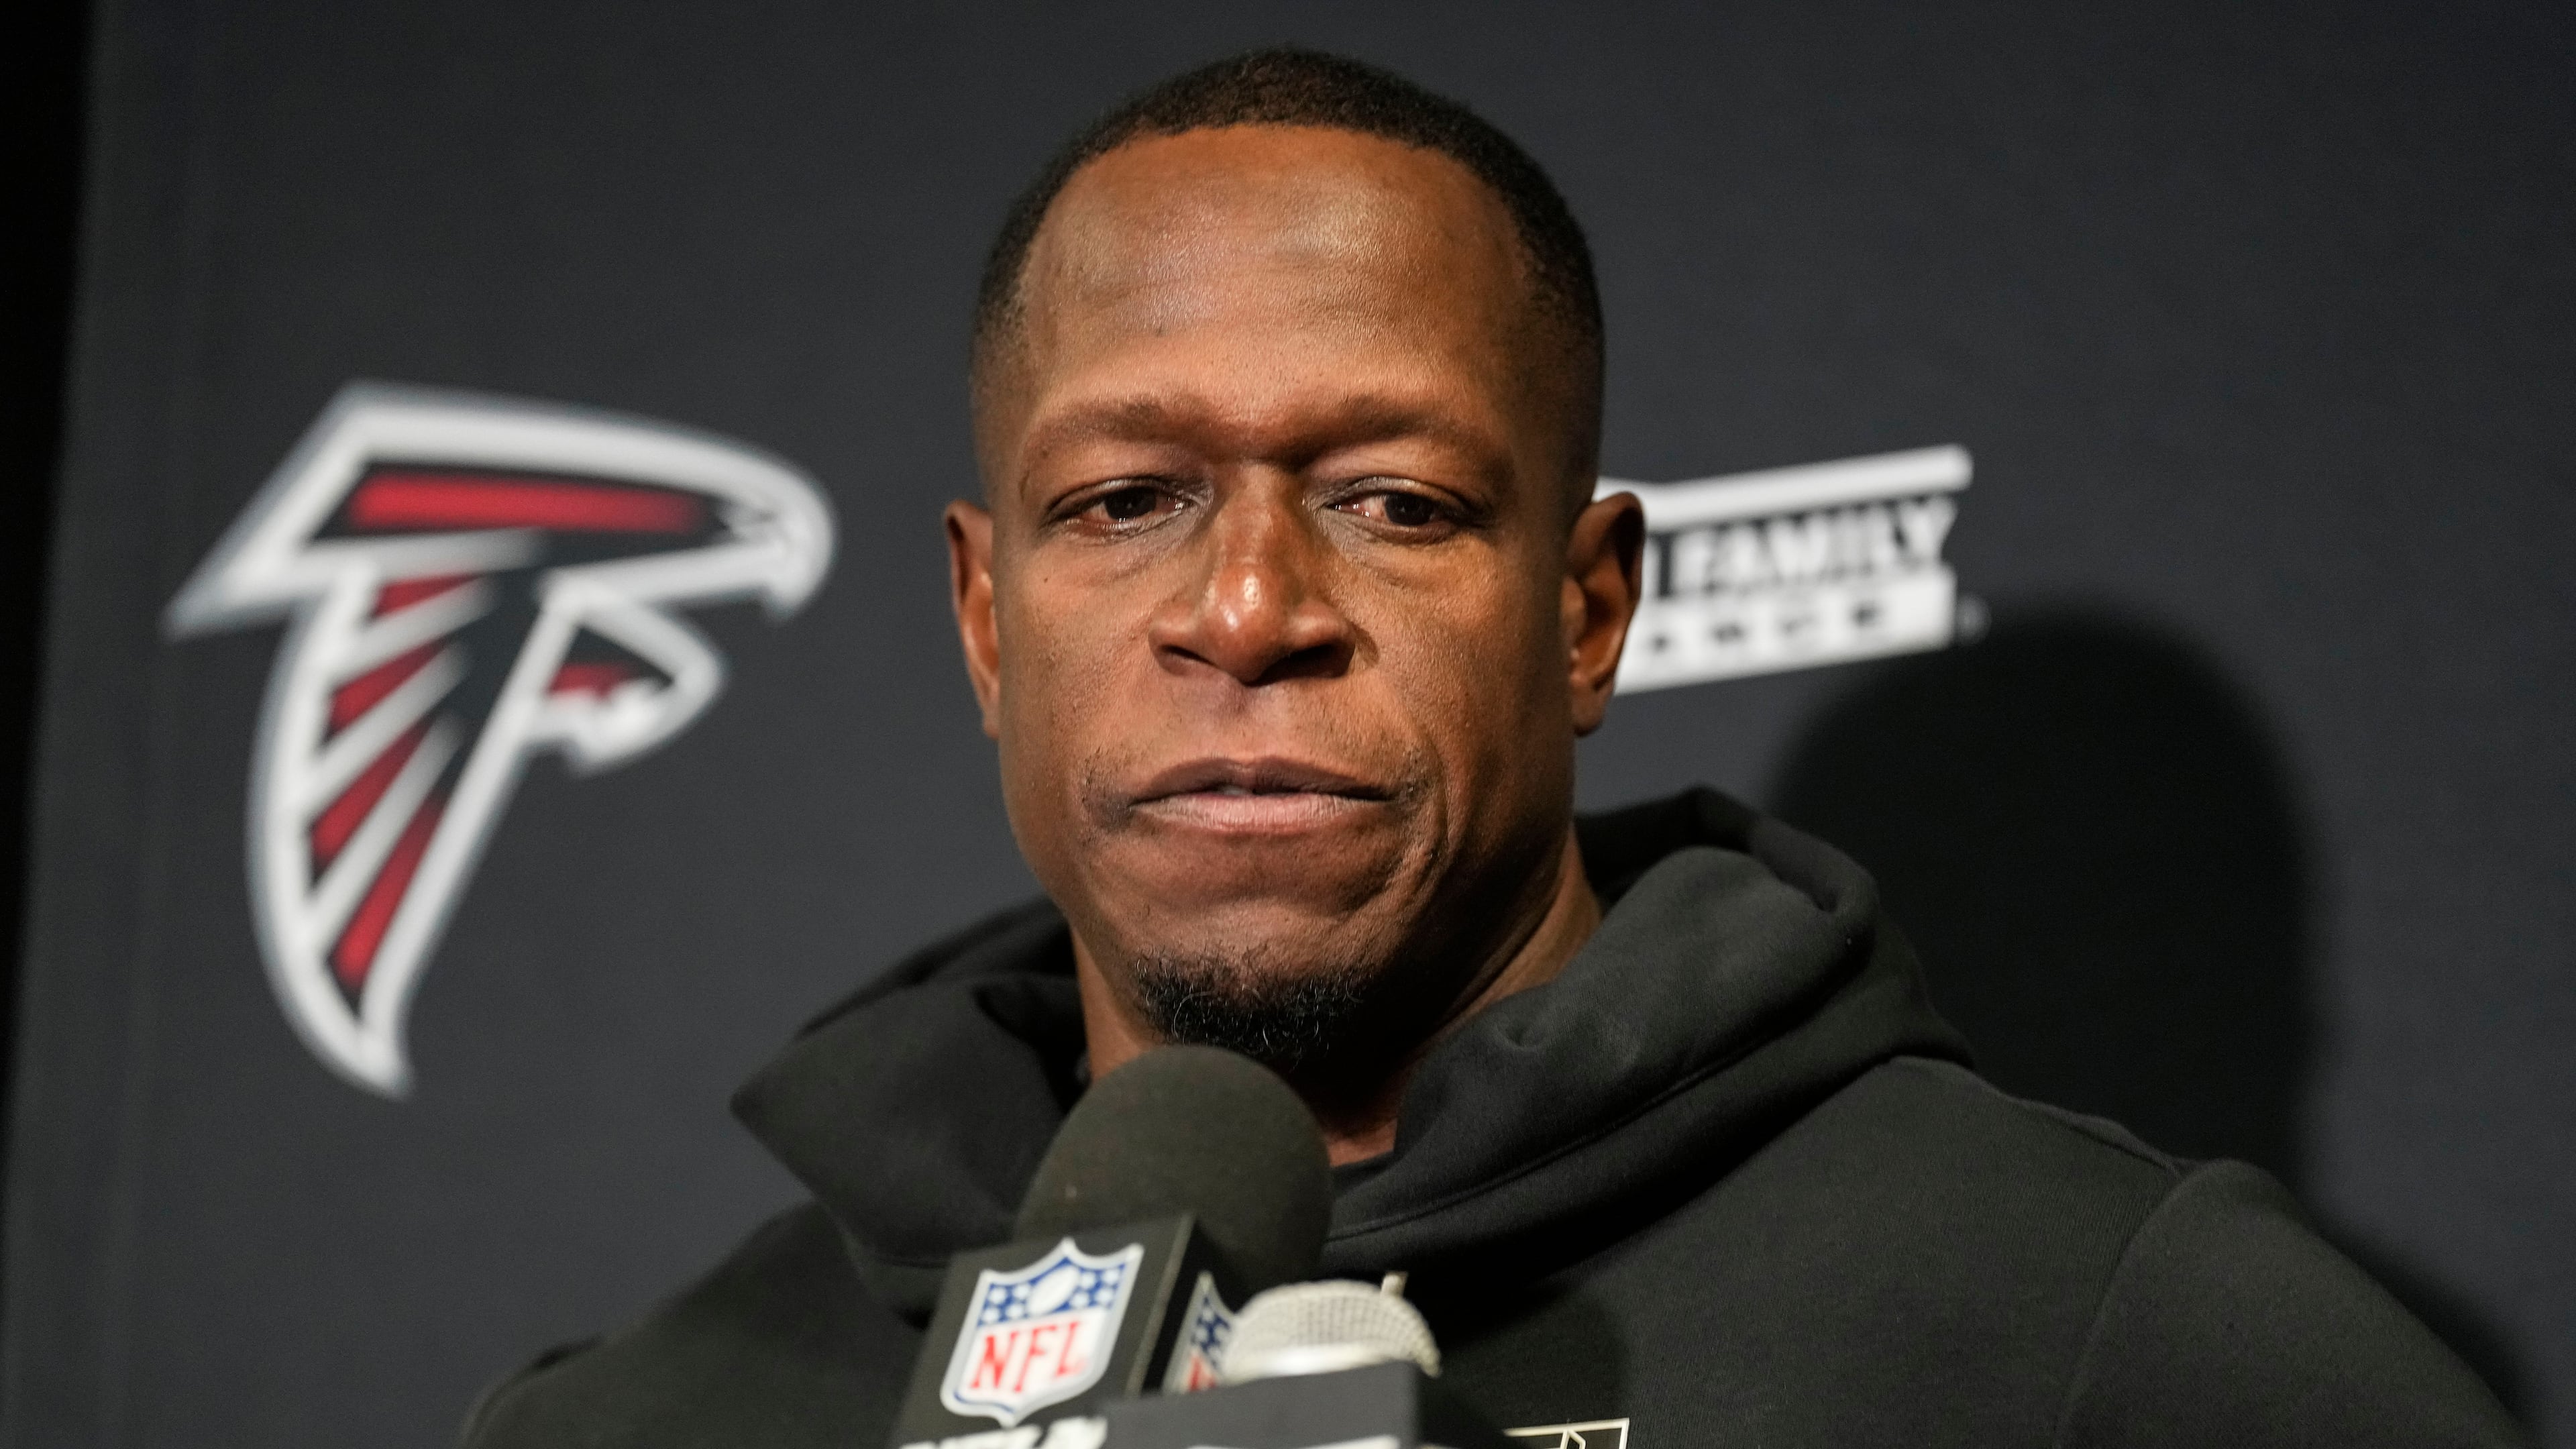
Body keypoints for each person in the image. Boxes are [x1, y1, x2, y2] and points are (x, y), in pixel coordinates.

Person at [461, 48, 2520, 1448]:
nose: (1251, 609)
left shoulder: (2099, 1338)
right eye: (1124, 502)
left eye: (1394, 501)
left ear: (1588, 610)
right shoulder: (644, 1417)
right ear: (989, 619)